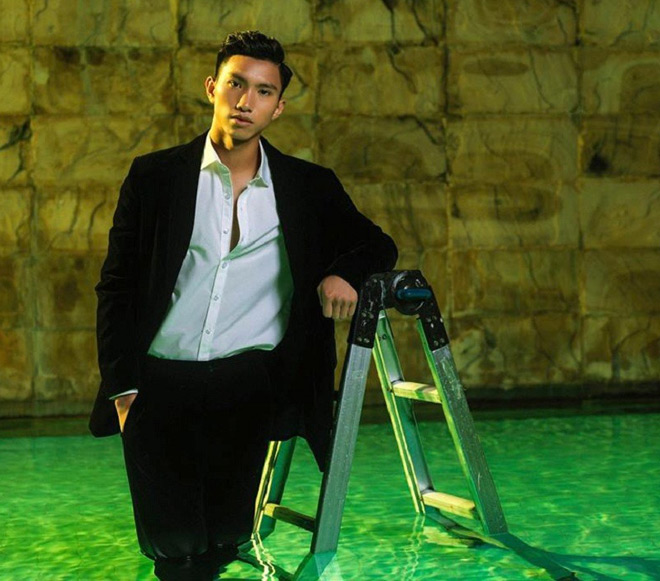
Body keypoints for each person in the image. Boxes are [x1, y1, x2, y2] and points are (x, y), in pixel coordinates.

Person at [89, 30, 397, 580]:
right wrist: (123, 390)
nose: (245, 100)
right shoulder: (154, 177)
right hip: (158, 385)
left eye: (263, 91)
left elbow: (376, 244)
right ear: (212, 87)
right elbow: (117, 286)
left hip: (248, 386)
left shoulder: (307, 186)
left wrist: (343, 275)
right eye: (236, 84)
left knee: (225, 540)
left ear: (278, 108)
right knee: (173, 547)